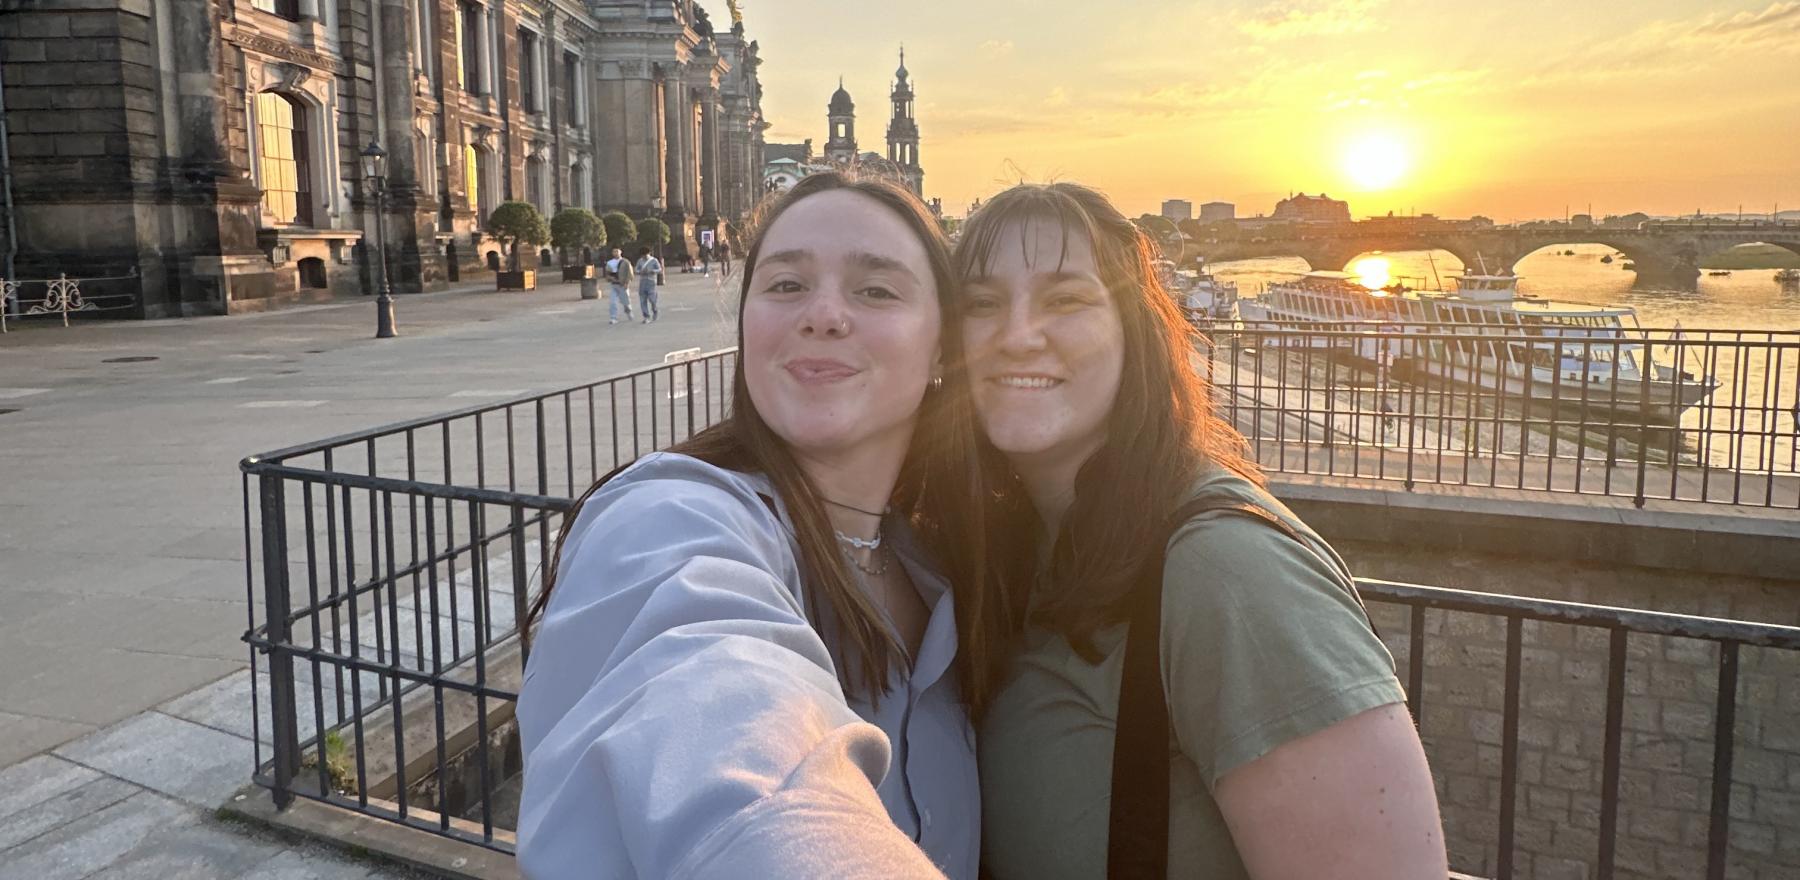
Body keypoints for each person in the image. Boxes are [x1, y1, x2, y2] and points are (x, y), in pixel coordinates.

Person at [516, 172, 1002, 880]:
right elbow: (734, 746)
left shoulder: (937, 565)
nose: (823, 314)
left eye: (876, 290)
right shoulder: (669, 520)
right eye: (784, 286)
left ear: (941, 355)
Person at [956, 183, 1447, 880]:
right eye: (981, 304)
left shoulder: (1229, 571)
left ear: (1136, 332)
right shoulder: (1019, 549)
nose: (1015, 333)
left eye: (1065, 298)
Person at [604, 247, 635, 324]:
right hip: (614, 284)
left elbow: (629, 273)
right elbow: (607, 274)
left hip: (622, 284)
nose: (615, 253)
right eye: (614, 251)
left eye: (617, 251)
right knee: (613, 302)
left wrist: (627, 283)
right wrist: (610, 278)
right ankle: (613, 317)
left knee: (625, 302)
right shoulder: (609, 263)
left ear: (620, 252)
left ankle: (629, 312)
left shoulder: (625, 262)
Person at [635, 246, 663, 323]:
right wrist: (640, 272)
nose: (644, 256)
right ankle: (646, 316)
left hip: (651, 282)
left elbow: (660, 269)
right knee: (642, 300)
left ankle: (655, 310)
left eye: (645, 255)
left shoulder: (654, 260)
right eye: (643, 255)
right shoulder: (640, 261)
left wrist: (653, 271)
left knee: (652, 300)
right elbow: (636, 270)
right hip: (642, 282)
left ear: (649, 253)